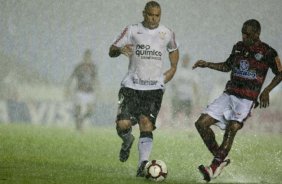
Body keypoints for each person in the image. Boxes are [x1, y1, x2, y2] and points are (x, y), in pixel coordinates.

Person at [192, 19, 282, 182]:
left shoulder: (268, 52)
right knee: (201, 124)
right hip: (229, 94)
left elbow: (281, 72)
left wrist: (267, 90)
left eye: (247, 34)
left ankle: (213, 167)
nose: (243, 36)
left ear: (257, 34)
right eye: (242, 32)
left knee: (232, 127)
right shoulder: (238, 47)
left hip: (247, 99)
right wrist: (207, 64)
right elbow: (227, 66)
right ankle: (219, 159)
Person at [108, 1, 179, 177]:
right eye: (150, 15)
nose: (153, 19)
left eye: (157, 15)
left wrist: (173, 69)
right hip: (131, 85)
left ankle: (142, 164)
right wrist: (119, 50)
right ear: (143, 13)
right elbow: (112, 49)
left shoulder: (167, 32)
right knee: (122, 124)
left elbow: (174, 49)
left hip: (153, 89)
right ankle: (127, 141)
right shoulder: (132, 30)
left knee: (145, 123)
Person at [65, 49, 97, 131]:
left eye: (89, 57)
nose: (87, 58)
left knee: (90, 110)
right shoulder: (79, 67)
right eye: (86, 56)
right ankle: (78, 126)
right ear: (84, 56)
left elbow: (95, 79)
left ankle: (81, 120)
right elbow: (72, 77)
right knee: (78, 110)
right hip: (80, 91)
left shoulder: (93, 67)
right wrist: (67, 88)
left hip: (90, 91)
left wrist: (98, 89)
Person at [170, 53, 199, 127]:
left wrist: (196, 97)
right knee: (175, 113)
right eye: (185, 60)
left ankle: (187, 128)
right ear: (182, 61)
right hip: (178, 96)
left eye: (187, 60)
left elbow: (195, 85)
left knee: (188, 115)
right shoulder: (178, 71)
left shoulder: (192, 72)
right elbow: (173, 83)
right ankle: (174, 126)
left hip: (188, 97)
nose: (186, 62)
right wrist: (174, 93)